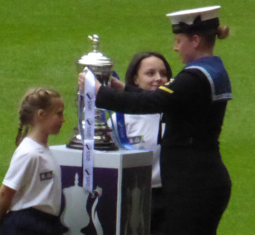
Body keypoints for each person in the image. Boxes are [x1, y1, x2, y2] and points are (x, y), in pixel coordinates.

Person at [79, 5, 232, 235]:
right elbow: (164, 99)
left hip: (192, 185)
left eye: (179, 40)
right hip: (199, 180)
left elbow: (152, 104)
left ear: (196, 40)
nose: (175, 47)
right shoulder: (211, 70)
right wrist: (127, 90)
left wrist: (100, 93)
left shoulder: (195, 76)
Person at [0, 87, 65, 235]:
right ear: (42, 114)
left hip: (43, 225)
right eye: (59, 114)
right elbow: (5, 193)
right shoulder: (29, 153)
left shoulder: (42, 150)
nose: (63, 119)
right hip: (26, 226)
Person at [108, 51, 172, 235]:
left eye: (163, 74)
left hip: (168, 197)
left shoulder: (174, 114)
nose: (158, 79)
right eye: (150, 73)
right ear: (135, 79)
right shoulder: (120, 119)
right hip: (132, 197)